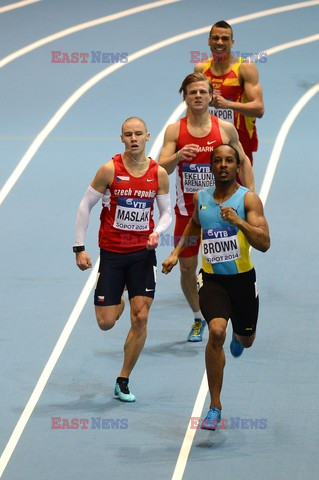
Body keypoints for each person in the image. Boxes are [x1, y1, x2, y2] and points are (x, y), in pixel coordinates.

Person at [162, 144, 270, 429]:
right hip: (212, 280)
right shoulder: (202, 198)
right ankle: (215, 406)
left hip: (243, 281)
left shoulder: (249, 201)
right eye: (218, 161)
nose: (223, 165)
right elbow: (195, 224)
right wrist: (176, 253)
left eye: (229, 161)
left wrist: (239, 223)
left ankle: (240, 337)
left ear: (237, 167)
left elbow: (264, 243)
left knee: (246, 339)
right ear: (211, 166)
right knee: (216, 333)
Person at [73, 116, 171, 402]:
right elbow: (85, 205)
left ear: (148, 136)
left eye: (138, 134)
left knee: (140, 317)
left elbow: (166, 213)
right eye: (128, 134)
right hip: (113, 255)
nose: (133, 139)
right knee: (106, 323)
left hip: (143, 254)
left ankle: (123, 379)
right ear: (121, 138)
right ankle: (120, 294)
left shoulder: (158, 174)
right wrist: (79, 247)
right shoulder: (109, 170)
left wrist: (157, 232)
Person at [158, 72, 254, 343]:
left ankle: (230, 315)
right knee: (187, 268)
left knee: (226, 265)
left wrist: (250, 197)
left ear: (211, 95)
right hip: (187, 212)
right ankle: (199, 317)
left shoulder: (224, 128)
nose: (198, 96)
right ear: (185, 97)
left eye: (202, 92)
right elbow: (159, 168)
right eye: (192, 92)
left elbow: (243, 161)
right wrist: (177, 156)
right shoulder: (175, 130)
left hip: (220, 211)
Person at [195, 20, 264, 165]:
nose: (219, 42)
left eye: (225, 38)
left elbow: (259, 109)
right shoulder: (201, 69)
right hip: (209, 140)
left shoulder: (244, 68)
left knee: (242, 187)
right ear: (209, 41)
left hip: (239, 141)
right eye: (215, 38)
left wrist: (228, 104)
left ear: (232, 42)